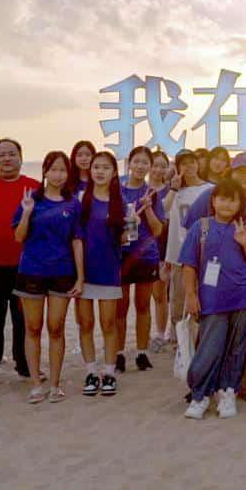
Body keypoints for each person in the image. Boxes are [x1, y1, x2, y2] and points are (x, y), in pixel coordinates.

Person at [181, 153, 246, 403]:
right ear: (231, 172)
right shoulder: (212, 194)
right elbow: (191, 228)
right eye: (240, 171)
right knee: (208, 327)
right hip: (211, 273)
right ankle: (202, 382)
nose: (245, 177)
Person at [12, 152, 83, 404]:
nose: (58, 175)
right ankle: (35, 384)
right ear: (44, 171)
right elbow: (19, 237)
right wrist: (26, 213)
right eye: (53, 169)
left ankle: (55, 384)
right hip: (32, 270)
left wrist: (80, 277)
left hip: (62, 272)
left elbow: (77, 240)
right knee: (32, 328)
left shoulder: (73, 204)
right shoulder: (31, 199)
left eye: (62, 170)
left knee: (56, 327)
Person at [0, 138, 40, 383]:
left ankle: (24, 364)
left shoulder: (35, 187)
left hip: (26, 265)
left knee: (24, 319)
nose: (7, 159)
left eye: (12, 154)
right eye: (1, 155)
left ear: (21, 158)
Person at [74, 151, 125, 397]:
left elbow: (125, 240)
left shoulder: (120, 202)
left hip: (108, 270)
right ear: (90, 170)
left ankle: (110, 372)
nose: (100, 171)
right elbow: (74, 237)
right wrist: (78, 274)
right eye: (96, 167)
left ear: (114, 173)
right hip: (83, 272)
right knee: (85, 323)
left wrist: (131, 225)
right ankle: (91, 372)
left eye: (106, 167)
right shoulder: (80, 199)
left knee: (108, 323)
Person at [116, 146, 166, 372]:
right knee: (120, 307)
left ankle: (141, 353)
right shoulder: (116, 190)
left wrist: (147, 209)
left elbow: (157, 230)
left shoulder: (152, 193)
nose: (140, 166)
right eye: (136, 161)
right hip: (121, 255)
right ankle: (118, 354)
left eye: (145, 162)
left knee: (143, 305)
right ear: (129, 163)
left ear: (150, 167)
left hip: (146, 255)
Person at [164, 150, 211, 354]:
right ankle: (179, 345)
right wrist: (173, 188)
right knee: (177, 301)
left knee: (202, 299)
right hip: (178, 254)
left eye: (192, 162)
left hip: (204, 254)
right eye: (184, 163)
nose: (189, 166)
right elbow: (163, 211)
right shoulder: (175, 191)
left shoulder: (210, 189)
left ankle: (201, 342)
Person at [148, 150, 173, 352]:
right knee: (141, 297)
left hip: (162, 248)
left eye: (162, 166)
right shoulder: (140, 189)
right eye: (155, 165)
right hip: (140, 250)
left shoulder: (171, 191)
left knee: (160, 294)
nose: (158, 170)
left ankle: (160, 333)